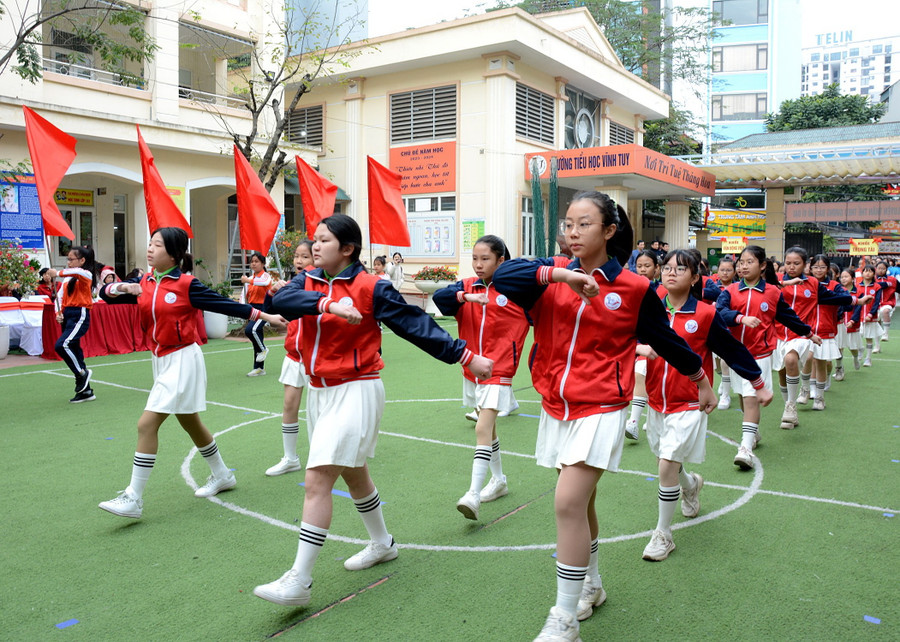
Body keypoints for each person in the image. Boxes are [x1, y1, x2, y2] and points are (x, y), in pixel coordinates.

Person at [492, 191, 715, 640]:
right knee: (584, 503)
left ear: (609, 231)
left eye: (584, 224)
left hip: (603, 406)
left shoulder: (634, 289)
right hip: (557, 405)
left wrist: (700, 377)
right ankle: (591, 584)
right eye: (568, 224)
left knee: (568, 502)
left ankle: (564, 618)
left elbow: (666, 340)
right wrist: (560, 275)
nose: (573, 233)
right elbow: (503, 275)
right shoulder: (548, 276)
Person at [254, 214, 492, 608]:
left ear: (347, 249)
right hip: (321, 392)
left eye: (324, 240)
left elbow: (415, 326)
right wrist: (329, 304)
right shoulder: (309, 281)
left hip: (356, 390)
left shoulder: (372, 287)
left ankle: (299, 579)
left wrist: (464, 355)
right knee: (355, 475)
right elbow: (280, 301)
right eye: (315, 240)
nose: (315, 247)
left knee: (317, 481)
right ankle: (382, 543)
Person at [96, 227, 286, 519]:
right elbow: (104, 293)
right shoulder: (145, 281)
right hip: (159, 359)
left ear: (173, 253)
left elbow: (224, 304)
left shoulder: (186, 284)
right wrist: (123, 287)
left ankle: (133, 497)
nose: (149, 249)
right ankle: (222, 474)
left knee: (147, 424)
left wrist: (267, 316)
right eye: (149, 243)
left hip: (183, 358)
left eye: (156, 245)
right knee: (190, 422)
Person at [642, 250, 770, 561]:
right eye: (668, 268)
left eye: (680, 269)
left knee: (666, 464)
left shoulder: (705, 314)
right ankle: (691, 485)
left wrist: (758, 382)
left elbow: (731, 349)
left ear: (696, 277)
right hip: (656, 401)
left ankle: (663, 534)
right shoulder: (649, 311)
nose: (671, 273)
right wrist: (639, 348)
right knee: (666, 459)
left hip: (690, 400)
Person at [433, 234, 530, 521]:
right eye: (475, 258)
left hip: (499, 369)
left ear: (501, 260)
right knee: (490, 429)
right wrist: (467, 296)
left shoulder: (517, 290)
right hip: (472, 366)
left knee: (482, 427)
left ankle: (473, 494)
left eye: (485, 258)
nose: (478, 264)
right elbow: (440, 299)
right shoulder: (465, 286)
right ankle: (498, 480)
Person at [716, 245, 817, 467]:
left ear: (762, 266)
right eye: (741, 262)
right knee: (743, 397)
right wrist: (740, 318)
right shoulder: (730, 291)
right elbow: (719, 313)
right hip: (735, 354)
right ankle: (754, 434)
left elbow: (788, 316)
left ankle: (745, 448)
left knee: (751, 398)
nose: (743, 266)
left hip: (759, 355)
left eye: (749, 262)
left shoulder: (772, 292)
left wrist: (808, 333)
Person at [265, 240, 315, 477]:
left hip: (317, 357)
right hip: (294, 355)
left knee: (319, 410)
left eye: (305, 257)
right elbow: (274, 311)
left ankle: (321, 458)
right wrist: (275, 292)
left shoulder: (319, 286)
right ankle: (290, 458)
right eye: (296, 256)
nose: (298, 261)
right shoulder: (290, 286)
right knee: (289, 406)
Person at [771, 248, 834, 426]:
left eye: (796, 263)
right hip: (777, 334)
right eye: (788, 263)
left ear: (805, 265)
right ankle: (788, 407)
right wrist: (785, 284)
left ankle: (793, 404)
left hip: (801, 335)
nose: (791, 267)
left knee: (791, 360)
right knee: (782, 371)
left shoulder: (813, 283)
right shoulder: (777, 282)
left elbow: (831, 297)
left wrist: (855, 301)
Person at [804, 255, 866, 409]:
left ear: (828, 269)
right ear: (810, 268)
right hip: (807, 330)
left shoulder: (834, 285)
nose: (819, 270)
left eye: (822, 267)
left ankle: (819, 397)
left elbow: (846, 300)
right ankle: (808, 390)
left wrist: (839, 306)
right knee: (810, 359)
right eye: (815, 267)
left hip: (826, 329)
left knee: (822, 363)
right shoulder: (804, 284)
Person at [45, 246, 98, 403]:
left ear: (82, 261)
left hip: (79, 314)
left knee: (62, 345)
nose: (67, 262)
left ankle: (82, 373)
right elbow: (59, 298)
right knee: (74, 349)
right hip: (67, 314)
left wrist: (58, 273)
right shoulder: (69, 279)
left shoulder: (85, 274)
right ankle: (86, 391)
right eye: (67, 259)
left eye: (70, 259)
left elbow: (80, 273)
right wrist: (58, 313)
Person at [625, 249, 661, 441]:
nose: (642, 270)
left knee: (643, 376)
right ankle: (637, 420)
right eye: (639, 266)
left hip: (658, 345)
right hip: (635, 343)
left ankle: (633, 422)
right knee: (639, 377)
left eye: (647, 266)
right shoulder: (630, 289)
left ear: (657, 269)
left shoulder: (663, 290)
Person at [241, 251, 272, 376]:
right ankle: (259, 368)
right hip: (252, 309)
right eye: (252, 262)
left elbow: (263, 283)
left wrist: (248, 280)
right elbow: (245, 294)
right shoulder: (251, 279)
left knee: (251, 330)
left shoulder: (266, 276)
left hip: (263, 309)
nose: (253, 264)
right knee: (256, 336)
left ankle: (264, 349)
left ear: (263, 264)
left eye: (256, 261)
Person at [714, 257, 737, 409]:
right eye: (722, 270)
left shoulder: (737, 288)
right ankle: (723, 379)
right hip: (713, 329)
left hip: (730, 330)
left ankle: (725, 396)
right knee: (717, 365)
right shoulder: (713, 288)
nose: (725, 273)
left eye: (729, 270)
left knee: (725, 360)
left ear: (735, 271)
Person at [836, 267, 864, 376]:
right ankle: (840, 367)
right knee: (839, 347)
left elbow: (858, 308)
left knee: (853, 347)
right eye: (842, 277)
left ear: (852, 278)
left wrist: (852, 321)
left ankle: (856, 358)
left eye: (846, 276)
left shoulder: (858, 292)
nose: (843, 279)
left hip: (852, 323)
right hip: (841, 322)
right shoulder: (838, 291)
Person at [857, 264, 883, 367]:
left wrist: (871, 314)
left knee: (868, 337)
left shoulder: (877, 287)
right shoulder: (857, 285)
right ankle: (860, 349)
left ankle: (868, 358)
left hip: (870, 317)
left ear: (873, 274)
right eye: (865, 271)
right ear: (862, 273)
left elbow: (877, 303)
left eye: (870, 271)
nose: (867, 273)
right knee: (857, 336)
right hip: (858, 317)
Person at [874, 261, 896, 342]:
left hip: (888, 303)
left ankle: (886, 333)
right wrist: (885, 284)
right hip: (875, 305)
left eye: (883, 268)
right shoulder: (873, 279)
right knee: (876, 323)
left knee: (885, 311)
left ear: (887, 269)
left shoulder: (892, 280)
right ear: (876, 269)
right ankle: (877, 346)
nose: (881, 270)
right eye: (879, 268)